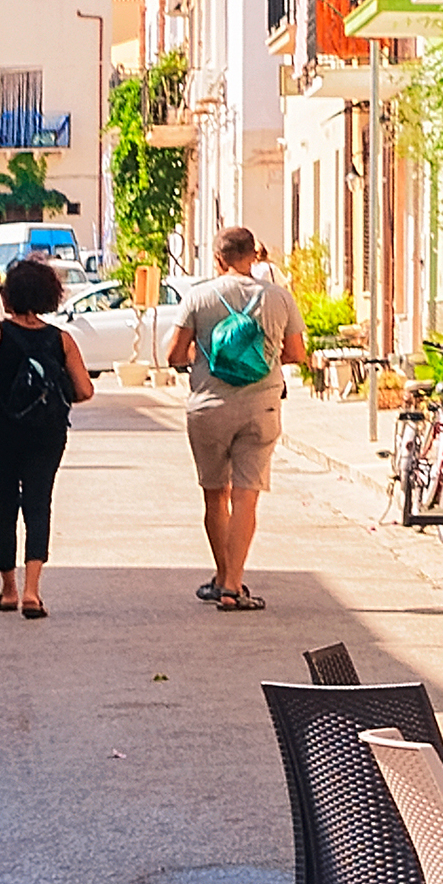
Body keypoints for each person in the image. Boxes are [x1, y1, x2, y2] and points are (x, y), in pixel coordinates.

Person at [163, 225, 305, 611]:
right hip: (262, 405)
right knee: (247, 497)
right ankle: (232, 585)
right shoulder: (279, 297)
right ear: (254, 256)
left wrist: (204, 359)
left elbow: (174, 354)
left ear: (218, 259)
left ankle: (223, 577)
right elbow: (296, 353)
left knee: (215, 495)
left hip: (208, 405)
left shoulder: (198, 297)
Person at [0, 253, 94, 616]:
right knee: (38, 503)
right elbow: (86, 390)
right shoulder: (61, 340)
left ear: (9, 295)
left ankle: (8, 589)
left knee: (3, 505)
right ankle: (33, 591)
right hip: (47, 433)